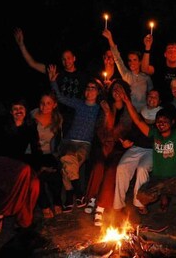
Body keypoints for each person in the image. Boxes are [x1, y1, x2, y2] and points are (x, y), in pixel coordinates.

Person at [118, 81, 176, 227]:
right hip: (159, 180)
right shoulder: (154, 133)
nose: (161, 123)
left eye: (165, 121)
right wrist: (127, 102)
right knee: (142, 196)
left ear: (172, 122)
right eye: (159, 121)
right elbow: (137, 120)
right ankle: (163, 197)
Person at [13, 27, 91, 134]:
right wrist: (21, 45)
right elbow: (33, 64)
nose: (66, 61)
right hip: (55, 114)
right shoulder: (55, 72)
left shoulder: (83, 76)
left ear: (74, 58)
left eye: (68, 58)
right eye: (63, 59)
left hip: (74, 115)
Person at [48, 66, 102, 212]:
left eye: (93, 88)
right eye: (88, 88)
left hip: (84, 145)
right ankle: (78, 194)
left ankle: (72, 193)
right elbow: (60, 98)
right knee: (67, 159)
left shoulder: (99, 108)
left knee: (66, 160)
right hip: (68, 142)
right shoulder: (78, 103)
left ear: (98, 92)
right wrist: (53, 82)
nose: (90, 90)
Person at [0, 98, 41, 235]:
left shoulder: (30, 126)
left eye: (21, 108)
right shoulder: (3, 124)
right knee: (24, 170)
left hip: (17, 166)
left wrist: (39, 167)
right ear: (11, 112)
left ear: (26, 111)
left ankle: (24, 222)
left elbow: (36, 149)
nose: (18, 111)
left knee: (34, 183)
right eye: (15, 109)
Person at [84, 79, 133, 226]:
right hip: (102, 144)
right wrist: (107, 115)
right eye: (114, 89)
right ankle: (92, 198)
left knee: (112, 169)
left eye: (120, 89)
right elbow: (100, 131)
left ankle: (101, 206)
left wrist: (124, 140)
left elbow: (127, 129)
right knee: (98, 164)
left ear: (125, 92)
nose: (117, 91)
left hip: (118, 148)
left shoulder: (128, 109)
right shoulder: (105, 106)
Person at [112, 89, 162, 214]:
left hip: (152, 149)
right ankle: (118, 204)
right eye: (150, 96)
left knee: (142, 168)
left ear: (159, 101)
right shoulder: (140, 114)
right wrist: (126, 141)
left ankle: (140, 202)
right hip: (136, 148)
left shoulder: (162, 116)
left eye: (155, 97)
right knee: (121, 167)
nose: (152, 98)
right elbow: (132, 132)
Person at [29, 91, 64, 219]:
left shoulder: (57, 119)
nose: (45, 106)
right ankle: (44, 205)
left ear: (54, 105)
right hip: (33, 153)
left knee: (55, 174)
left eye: (48, 103)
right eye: (42, 103)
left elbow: (58, 141)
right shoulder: (32, 116)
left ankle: (56, 201)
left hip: (49, 153)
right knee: (38, 176)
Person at [102, 29, 154, 112]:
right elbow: (117, 58)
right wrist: (110, 38)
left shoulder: (146, 77)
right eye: (129, 60)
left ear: (140, 62)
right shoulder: (126, 74)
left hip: (143, 112)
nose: (131, 63)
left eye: (134, 60)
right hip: (128, 113)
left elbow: (151, 94)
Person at [141, 36, 176, 104]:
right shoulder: (159, 67)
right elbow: (144, 69)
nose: (172, 53)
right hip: (160, 106)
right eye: (169, 50)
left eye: (174, 51)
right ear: (165, 54)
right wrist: (147, 48)